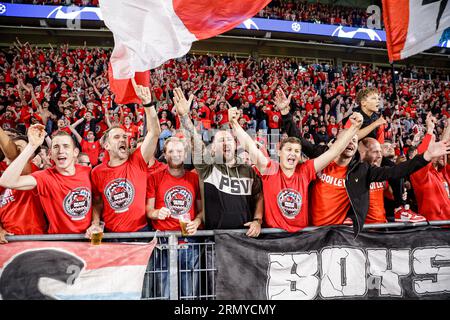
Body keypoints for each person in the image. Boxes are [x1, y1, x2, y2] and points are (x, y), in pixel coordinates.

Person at [279, 89, 450, 235]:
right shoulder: (322, 158)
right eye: (349, 139)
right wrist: (286, 114)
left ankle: (400, 208)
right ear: (338, 140)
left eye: (355, 140)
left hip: (340, 235)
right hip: (313, 233)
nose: (352, 142)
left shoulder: (361, 171)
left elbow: (398, 171)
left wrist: (426, 156)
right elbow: (300, 141)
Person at [229, 90, 363, 232]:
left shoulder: (305, 170)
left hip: (301, 238)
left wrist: (354, 128)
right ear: (279, 152)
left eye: (297, 151)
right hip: (274, 238)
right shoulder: (269, 168)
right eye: (289, 149)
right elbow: (250, 146)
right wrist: (234, 124)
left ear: (300, 156)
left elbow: (334, 151)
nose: (293, 153)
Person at [173, 87, 263, 237]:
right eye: (221, 140)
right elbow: (196, 143)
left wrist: (257, 220)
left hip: (245, 240)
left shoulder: (248, 170)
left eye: (228, 139)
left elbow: (258, 195)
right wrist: (184, 117)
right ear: (213, 149)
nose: (226, 143)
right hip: (215, 241)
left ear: (235, 144)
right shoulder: (207, 168)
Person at [88, 80, 160, 236]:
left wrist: (148, 105)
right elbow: (98, 202)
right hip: (111, 235)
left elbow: (154, 132)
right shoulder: (97, 172)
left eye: (124, 137)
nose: (123, 139)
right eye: (116, 137)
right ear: (106, 146)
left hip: (141, 234)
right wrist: (95, 223)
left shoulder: (137, 160)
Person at [0, 125, 93, 234]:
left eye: (66, 146)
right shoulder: (44, 176)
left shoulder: (89, 172)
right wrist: (31, 146)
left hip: (87, 239)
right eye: (56, 147)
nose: (61, 151)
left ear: (75, 152)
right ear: (50, 154)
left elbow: (98, 200)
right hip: (57, 242)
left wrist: (95, 223)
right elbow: (6, 182)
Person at [146, 137, 203, 299]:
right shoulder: (154, 177)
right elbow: (149, 210)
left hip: (189, 241)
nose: (175, 155)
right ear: (164, 154)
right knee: (164, 292)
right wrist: (157, 213)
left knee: (189, 292)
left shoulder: (194, 179)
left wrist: (197, 222)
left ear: (185, 155)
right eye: (171, 151)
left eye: (179, 151)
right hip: (163, 242)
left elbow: (201, 211)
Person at [0, 128, 46, 243]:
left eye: (19, 149)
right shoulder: (3, 176)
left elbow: (15, 157)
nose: (15, 152)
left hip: (32, 240)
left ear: (31, 154)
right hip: (6, 240)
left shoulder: (34, 172)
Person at [409, 114, 450, 220]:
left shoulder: (441, 172)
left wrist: (448, 126)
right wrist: (430, 130)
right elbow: (424, 153)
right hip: (434, 228)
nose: (440, 153)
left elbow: (445, 145)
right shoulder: (419, 173)